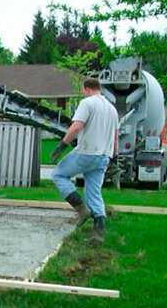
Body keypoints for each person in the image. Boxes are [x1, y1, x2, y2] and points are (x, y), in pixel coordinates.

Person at [50, 78, 119, 241]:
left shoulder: (87, 103)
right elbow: (115, 138)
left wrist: (61, 146)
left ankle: (82, 210)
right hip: (104, 156)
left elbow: (76, 126)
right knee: (94, 192)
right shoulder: (112, 109)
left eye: (83, 90)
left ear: (87, 89)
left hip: (87, 152)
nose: (82, 92)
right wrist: (114, 158)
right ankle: (99, 231)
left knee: (58, 175)